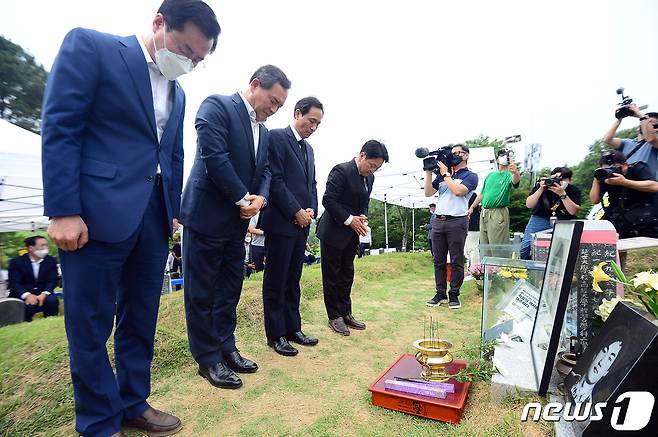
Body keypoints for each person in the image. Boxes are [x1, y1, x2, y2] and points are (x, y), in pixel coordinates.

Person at [40, 2, 220, 436]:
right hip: (94, 215)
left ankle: (133, 402)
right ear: (158, 24)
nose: (189, 63)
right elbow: (61, 126)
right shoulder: (92, 48)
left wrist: (171, 212)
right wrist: (64, 209)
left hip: (153, 219)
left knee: (141, 317)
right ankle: (100, 421)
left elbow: (172, 155)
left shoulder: (178, 92)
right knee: (90, 322)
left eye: (198, 59)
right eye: (185, 50)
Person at [179, 65, 290, 389]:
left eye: (280, 106)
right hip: (205, 217)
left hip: (237, 224)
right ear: (255, 85)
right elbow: (215, 159)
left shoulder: (264, 131)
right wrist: (245, 199)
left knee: (230, 289)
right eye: (272, 101)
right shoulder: (217, 107)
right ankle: (208, 358)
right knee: (201, 292)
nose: (274, 109)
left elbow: (267, 170)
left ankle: (227, 347)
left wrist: (262, 201)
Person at [260, 96, 323, 356]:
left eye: (318, 124)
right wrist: (295, 210)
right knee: (276, 279)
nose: (314, 127)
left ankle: (292, 327)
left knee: (293, 279)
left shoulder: (308, 150)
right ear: (297, 114)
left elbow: (311, 185)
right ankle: (275, 334)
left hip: (301, 224)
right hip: (280, 222)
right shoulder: (276, 138)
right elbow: (275, 180)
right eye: (311, 121)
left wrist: (311, 210)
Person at [317, 140, 389, 335]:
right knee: (332, 275)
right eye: (372, 165)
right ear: (362, 155)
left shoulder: (369, 178)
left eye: (377, 168)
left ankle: (346, 312)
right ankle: (334, 316)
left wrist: (363, 216)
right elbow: (328, 201)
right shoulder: (341, 171)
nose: (372, 170)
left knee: (347, 274)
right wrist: (350, 219)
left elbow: (364, 202)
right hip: (333, 232)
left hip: (352, 234)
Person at [423, 144, 478, 309]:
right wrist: (428, 172)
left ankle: (454, 294)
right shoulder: (442, 176)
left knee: (456, 260)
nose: (453, 156)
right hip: (438, 221)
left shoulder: (470, 176)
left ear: (466, 156)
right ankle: (440, 293)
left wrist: (446, 173)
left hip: (457, 221)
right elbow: (428, 193)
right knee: (438, 260)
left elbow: (458, 191)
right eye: (452, 153)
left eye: (457, 153)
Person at [589, 150, 658, 238]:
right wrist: (596, 179)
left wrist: (624, 182)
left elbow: (655, 186)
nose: (610, 172)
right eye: (606, 169)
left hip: (647, 221)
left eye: (613, 168)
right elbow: (594, 200)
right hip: (622, 223)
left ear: (625, 166)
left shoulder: (637, 168)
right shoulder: (605, 177)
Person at [520, 167, 581, 260]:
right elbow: (529, 204)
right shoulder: (544, 186)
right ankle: (525, 267)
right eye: (555, 178)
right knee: (526, 246)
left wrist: (562, 194)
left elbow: (573, 211)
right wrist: (540, 188)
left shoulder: (573, 190)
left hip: (563, 220)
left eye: (561, 179)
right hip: (540, 217)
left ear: (569, 180)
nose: (557, 182)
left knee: (564, 249)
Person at [469, 149, 520, 245]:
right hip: (484, 212)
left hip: (498, 212)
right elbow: (482, 194)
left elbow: (515, 182)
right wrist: (472, 207)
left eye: (505, 155)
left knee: (497, 245)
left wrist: (516, 173)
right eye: (501, 155)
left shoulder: (509, 175)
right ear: (497, 159)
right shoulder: (490, 175)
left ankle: (500, 260)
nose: (504, 157)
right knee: (484, 245)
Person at [8, 236, 59, 322]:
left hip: (43, 292)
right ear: (31, 248)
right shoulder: (16, 262)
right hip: (23, 293)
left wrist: (44, 294)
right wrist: (27, 295)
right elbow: (15, 283)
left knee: (52, 300)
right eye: (42, 245)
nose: (45, 248)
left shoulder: (51, 261)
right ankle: (23, 324)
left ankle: (50, 323)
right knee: (28, 306)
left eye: (46, 245)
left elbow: (52, 280)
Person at [602, 105, 658, 179]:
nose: (649, 124)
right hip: (627, 183)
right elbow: (607, 139)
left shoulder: (653, 143)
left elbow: (651, 139)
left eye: (653, 124)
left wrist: (641, 115)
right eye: (649, 122)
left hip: (647, 184)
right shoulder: (627, 142)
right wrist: (619, 118)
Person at [464, 194, 481, 270]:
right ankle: (470, 269)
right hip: (469, 226)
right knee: (468, 250)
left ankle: (474, 270)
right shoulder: (471, 194)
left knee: (472, 249)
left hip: (473, 226)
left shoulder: (471, 195)